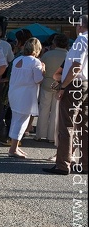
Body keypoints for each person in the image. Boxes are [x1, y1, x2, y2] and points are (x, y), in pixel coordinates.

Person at [43, 14, 87, 175]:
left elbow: (76, 66)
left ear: (80, 26)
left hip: (75, 85)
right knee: (84, 126)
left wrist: (63, 86)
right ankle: (85, 163)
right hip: (86, 84)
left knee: (66, 125)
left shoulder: (81, 40)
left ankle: (62, 164)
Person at [7, 37, 45, 158]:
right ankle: (13, 148)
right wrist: (43, 70)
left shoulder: (18, 59)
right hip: (26, 95)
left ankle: (14, 146)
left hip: (14, 93)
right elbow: (38, 80)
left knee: (16, 120)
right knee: (21, 122)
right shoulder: (35, 62)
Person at [34, 34, 68, 143]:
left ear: (55, 42)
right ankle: (52, 137)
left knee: (43, 109)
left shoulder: (47, 55)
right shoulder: (68, 55)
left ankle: (39, 134)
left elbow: (41, 69)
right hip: (61, 85)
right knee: (55, 112)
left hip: (47, 83)